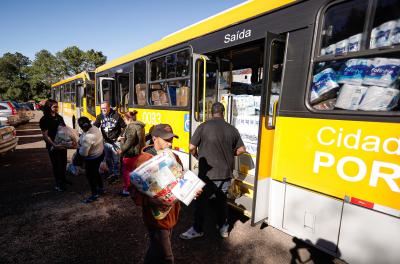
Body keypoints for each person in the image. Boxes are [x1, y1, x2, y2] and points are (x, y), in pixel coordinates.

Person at [180, 102, 246, 239]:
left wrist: (196, 156)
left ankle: (197, 229)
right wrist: (230, 153)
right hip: (225, 173)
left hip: (207, 175)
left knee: (201, 202)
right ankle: (223, 228)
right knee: (222, 202)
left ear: (211, 112)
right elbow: (241, 150)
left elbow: (191, 147)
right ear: (223, 112)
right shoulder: (232, 129)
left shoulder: (203, 127)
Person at [129, 124, 181, 264]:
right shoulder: (144, 160)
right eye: (166, 140)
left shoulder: (173, 156)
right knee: (167, 256)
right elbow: (134, 193)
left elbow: (181, 179)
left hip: (171, 213)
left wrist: (190, 190)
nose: (170, 143)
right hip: (156, 218)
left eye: (171, 139)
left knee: (156, 249)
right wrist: (152, 201)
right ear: (154, 138)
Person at [39, 99, 69, 191]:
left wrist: (71, 141)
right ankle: (58, 184)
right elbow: (45, 135)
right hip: (53, 146)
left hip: (62, 144)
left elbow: (65, 130)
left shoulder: (59, 117)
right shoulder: (44, 119)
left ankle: (63, 180)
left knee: (63, 164)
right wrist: (53, 145)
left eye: (57, 106)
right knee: (57, 165)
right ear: (49, 107)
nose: (56, 108)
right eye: (54, 107)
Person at [93, 101, 126, 182]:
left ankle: (116, 175)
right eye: (102, 109)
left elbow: (125, 127)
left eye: (105, 108)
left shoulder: (116, 115)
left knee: (116, 160)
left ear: (109, 107)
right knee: (107, 159)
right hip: (106, 142)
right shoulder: (100, 116)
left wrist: (120, 136)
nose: (103, 110)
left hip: (116, 142)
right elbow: (95, 127)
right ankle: (111, 173)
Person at [116, 111, 145, 196]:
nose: (124, 121)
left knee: (126, 172)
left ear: (128, 119)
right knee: (135, 171)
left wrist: (121, 146)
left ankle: (127, 189)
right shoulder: (140, 126)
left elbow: (129, 141)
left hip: (130, 153)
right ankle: (135, 188)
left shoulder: (131, 127)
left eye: (124, 119)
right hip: (138, 153)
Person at [77, 117, 105, 203]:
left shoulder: (88, 137)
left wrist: (78, 147)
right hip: (100, 153)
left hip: (92, 158)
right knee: (96, 172)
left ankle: (94, 194)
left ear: (81, 127)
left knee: (90, 175)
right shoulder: (95, 128)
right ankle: (101, 188)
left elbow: (83, 153)